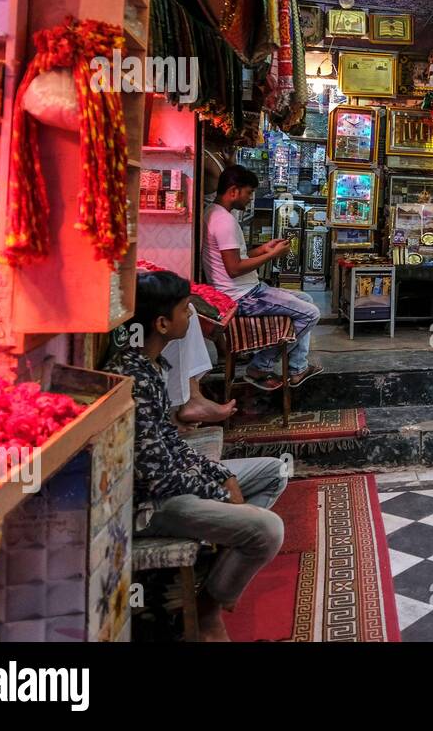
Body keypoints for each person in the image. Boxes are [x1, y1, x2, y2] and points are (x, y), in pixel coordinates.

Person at [106, 271, 287, 641]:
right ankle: (208, 610)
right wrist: (219, 489)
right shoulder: (133, 379)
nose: (190, 319)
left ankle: (213, 578)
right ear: (161, 323)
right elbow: (156, 476)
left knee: (273, 471)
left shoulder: (153, 365)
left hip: (175, 479)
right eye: (185, 311)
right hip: (155, 504)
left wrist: (220, 476)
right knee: (269, 530)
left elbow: (170, 445)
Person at [203, 165, 322, 390]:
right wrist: (273, 256)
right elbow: (234, 268)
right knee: (310, 314)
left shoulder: (216, 214)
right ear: (233, 191)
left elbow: (238, 257)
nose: (249, 199)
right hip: (242, 296)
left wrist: (265, 249)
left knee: (305, 300)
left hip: (246, 290)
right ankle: (261, 366)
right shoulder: (224, 221)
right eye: (248, 193)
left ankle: (298, 368)